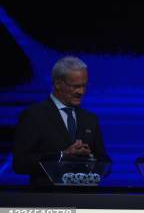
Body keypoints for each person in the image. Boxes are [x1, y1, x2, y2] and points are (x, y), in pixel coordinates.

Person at [13, 56, 110, 185]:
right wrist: (62, 156)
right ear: (58, 83)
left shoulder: (90, 119)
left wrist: (90, 160)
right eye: (75, 86)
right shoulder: (34, 115)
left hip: (85, 199)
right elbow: (20, 163)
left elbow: (105, 162)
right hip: (47, 198)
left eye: (84, 86)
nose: (81, 92)